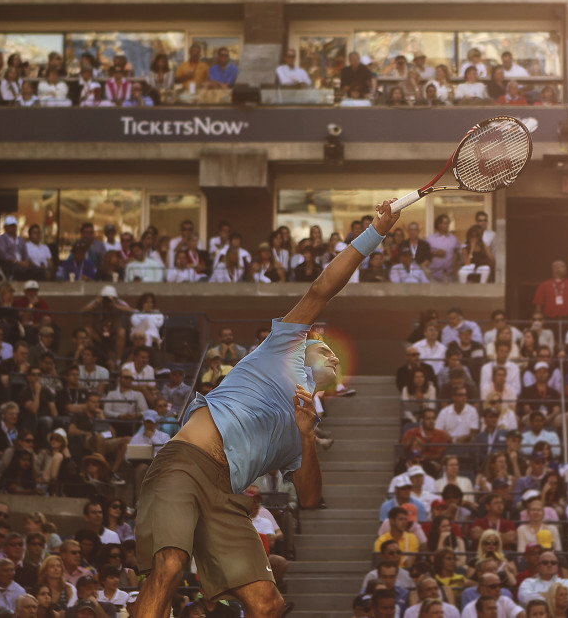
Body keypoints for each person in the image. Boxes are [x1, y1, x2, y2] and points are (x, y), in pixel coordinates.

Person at [134, 198, 401, 618]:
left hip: (225, 494)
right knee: (168, 566)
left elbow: (310, 497)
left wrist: (308, 436)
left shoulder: (305, 417)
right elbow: (322, 288)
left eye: (336, 358)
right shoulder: (282, 347)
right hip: (185, 463)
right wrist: (376, 233)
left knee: (267, 604)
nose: (332, 356)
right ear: (307, 342)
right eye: (325, 347)